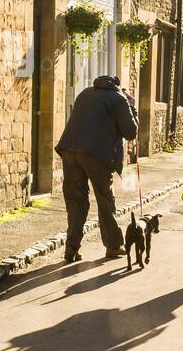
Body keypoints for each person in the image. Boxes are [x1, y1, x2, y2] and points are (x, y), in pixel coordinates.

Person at [55, 75, 139, 262]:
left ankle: (71, 248)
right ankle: (113, 246)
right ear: (116, 86)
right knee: (104, 199)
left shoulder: (85, 93)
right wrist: (132, 106)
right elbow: (131, 132)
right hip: (97, 154)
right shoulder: (119, 99)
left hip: (69, 149)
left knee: (76, 200)